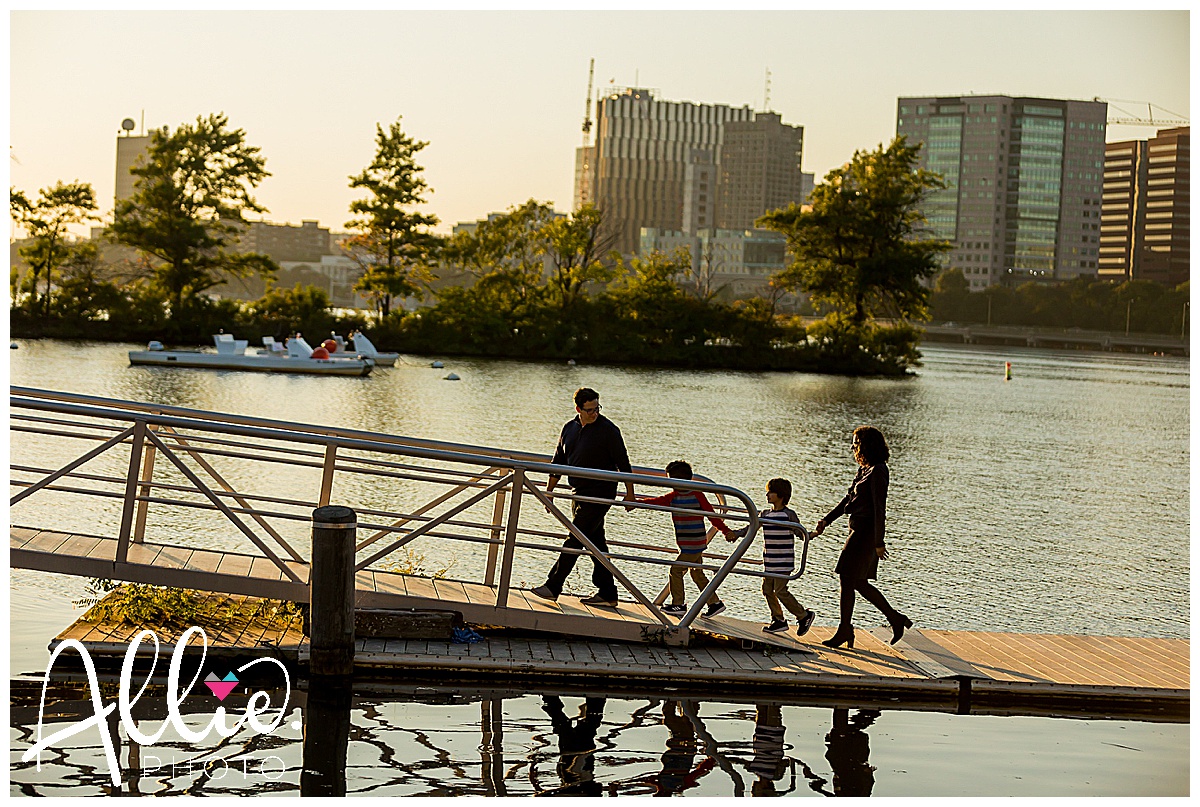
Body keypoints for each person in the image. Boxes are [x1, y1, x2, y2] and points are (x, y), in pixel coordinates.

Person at [532, 387, 634, 607]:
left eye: (597, 408)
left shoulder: (609, 430)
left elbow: (623, 462)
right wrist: (549, 493)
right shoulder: (569, 428)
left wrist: (630, 492)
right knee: (595, 543)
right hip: (578, 493)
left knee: (575, 538)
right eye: (589, 410)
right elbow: (558, 461)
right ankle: (608, 592)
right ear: (578, 408)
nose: (594, 413)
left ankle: (553, 585)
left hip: (600, 494)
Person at [813, 425, 911, 648]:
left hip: (866, 534)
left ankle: (847, 629)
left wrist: (879, 542)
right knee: (855, 581)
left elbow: (879, 508)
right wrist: (827, 520)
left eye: (856, 442)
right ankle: (893, 619)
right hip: (856, 529)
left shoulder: (878, 471)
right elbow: (848, 499)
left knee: (848, 578)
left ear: (867, 444)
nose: (853, 446)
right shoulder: (864, 469)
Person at [639, 461, 735, 618]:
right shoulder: (674, 497)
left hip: (693, 544)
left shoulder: (697, 495)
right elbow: (657, 502)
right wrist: (636, 503)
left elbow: (712, 516)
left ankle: (678, 604)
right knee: (697, 574)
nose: (670, 484)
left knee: (675, 570)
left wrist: (726, 531)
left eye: (671, 480)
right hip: (691, 544)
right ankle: (714, 603)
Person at [728, 478, 816, 636]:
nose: (767, 495)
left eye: (771, 492)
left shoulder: (789, 515)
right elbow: (751, 528)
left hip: (783, 562)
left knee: (781, 591)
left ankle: (803, 616)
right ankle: (778, 619)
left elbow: (800, 533)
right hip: (770, 561)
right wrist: (736, 534)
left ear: (781, 495)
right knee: (767, 589)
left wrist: (812, 534)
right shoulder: (765, 514)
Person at [540, 694, 606, 796]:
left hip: (576, 755)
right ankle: (550, 699)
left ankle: (550, 699)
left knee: (587, 724)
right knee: (566, 726)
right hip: (574, 755)